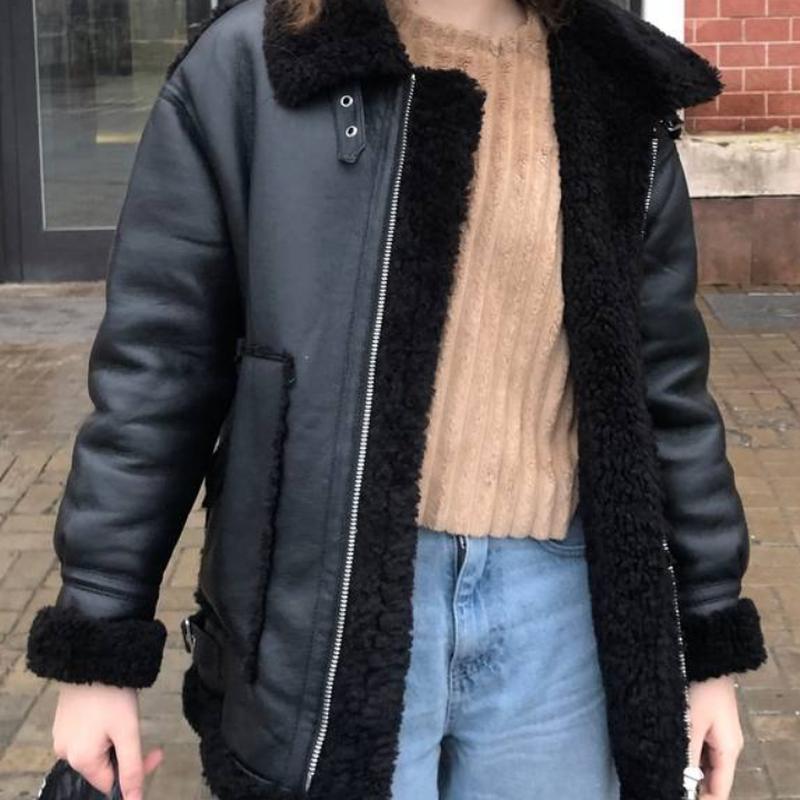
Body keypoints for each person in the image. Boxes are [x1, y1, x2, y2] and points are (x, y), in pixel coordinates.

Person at [25, 1, 768, 799]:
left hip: (559, 618)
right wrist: (98, 647)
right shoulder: (258, 64)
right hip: (328, 607)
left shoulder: (614, 81)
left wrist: (708, 645)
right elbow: (159, 368)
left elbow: (667, 390)